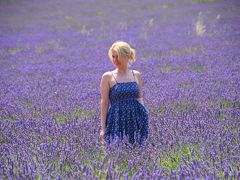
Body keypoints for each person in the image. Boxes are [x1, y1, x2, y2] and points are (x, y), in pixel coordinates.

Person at [99, 41, 149, 145]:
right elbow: (104, 103)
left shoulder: (137, 75)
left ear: (127, 56)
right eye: (113, 57)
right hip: (116, 120)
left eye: (118, 57)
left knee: (138, 152)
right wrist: (103, 129)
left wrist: (145, 117)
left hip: (135, 120)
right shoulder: (108, 77)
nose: (115, 60)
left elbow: (140, 99)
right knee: (116, 152)